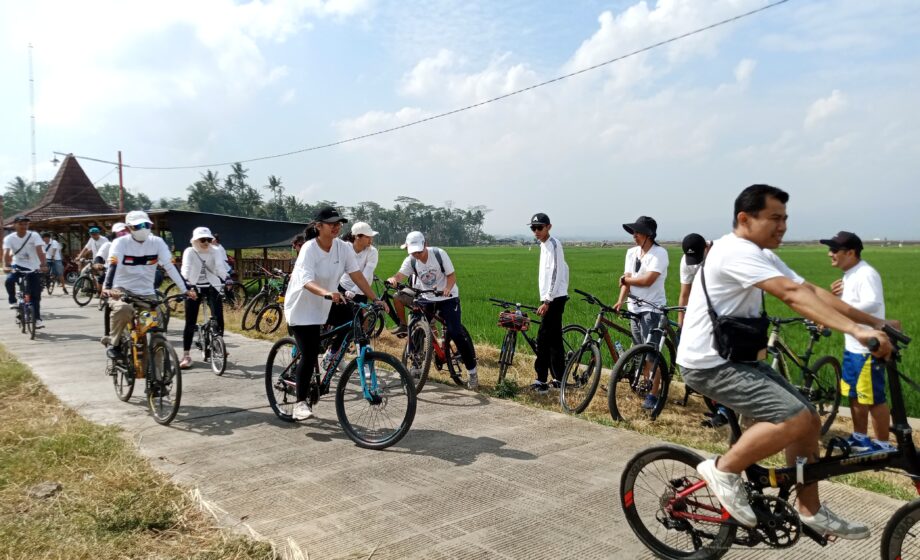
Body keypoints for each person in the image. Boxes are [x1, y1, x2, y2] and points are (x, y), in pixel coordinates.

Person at [677, 184, 893, 539]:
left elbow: (810, 290)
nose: (783, 226)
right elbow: (791, 294)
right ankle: (723, 469)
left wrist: (875, 323)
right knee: (794, 417)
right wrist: (856, 330)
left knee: (809, 420)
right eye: (775, 218)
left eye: (785, 218)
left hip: (738, 358)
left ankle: (810, 510)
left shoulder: (760, 253)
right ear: (745, 218)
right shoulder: (735, 251)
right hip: (709, 364)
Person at [283, 207, 386, 421]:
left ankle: (332, 353)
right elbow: (306, 281)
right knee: (310, 354)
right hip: (303, 308)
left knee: (355, 319)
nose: (336, 227)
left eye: (339, 223)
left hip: (327, 303)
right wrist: (328, 293)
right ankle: (300, 403)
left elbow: (357, 275)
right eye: (332, 223)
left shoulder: (342, 247)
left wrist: (375, 298)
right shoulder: (309, 248)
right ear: (318, 226)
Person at [821, 231, 892, 453]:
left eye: (835, 249)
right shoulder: (849, 275)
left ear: (851, 252)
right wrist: (837, 299)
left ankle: (882, 444)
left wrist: (838, 309)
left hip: (868, 348)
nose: (830, 253)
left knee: (874, 397)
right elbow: (851, 303)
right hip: (852, 347)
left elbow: (872, 303)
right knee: (854, 394)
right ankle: (860, 437)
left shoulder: (866, 273)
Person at [386, 231, 480, 390]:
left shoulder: (439, 254)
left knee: (455, 332)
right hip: (427, 297)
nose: (416, 255)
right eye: (413, 252)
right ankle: (416, 366)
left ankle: (472, 372)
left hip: (447, 297)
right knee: (417, 330)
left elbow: (451, 276)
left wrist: (447, 289)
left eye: (419, 251)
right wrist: (393, 279)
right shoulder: (411, 260)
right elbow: (400, 275)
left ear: (425, 244)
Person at [102, 211, 195, 360]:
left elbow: (170, 266)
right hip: (121, 289)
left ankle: (159, 372)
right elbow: (113, 265)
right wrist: (107, 287)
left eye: (146, 225)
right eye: (138, 226)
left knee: (155, 330)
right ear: (129, 227)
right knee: (123, 309)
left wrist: (186, 289)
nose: (143, 229)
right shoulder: (120, 243)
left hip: (146, 293)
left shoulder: (157, 242)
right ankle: (115, 344)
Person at [614, 215, 669, 410]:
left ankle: (654, 394)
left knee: (651, 355)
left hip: (651, 309)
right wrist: (621, 300)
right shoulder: (631, 253)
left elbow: (647, 281)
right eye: (634, 232)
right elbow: (627, 280)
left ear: (649, 235)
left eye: (638, 232)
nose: (634, 235)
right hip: (634, 308)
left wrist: (625, 280)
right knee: (640, 352)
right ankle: (646, 387)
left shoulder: (659, 254)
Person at [529, 212, 569, 394]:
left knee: (543, 339)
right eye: (533, 228)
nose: (536, 231)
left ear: (548, 227)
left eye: (539, 227)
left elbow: (556, 272)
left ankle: (541, 380)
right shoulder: (543, 246)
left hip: (554, 299)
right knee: (554, 340)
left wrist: (547, 300)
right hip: (550, 297)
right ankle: (559, 378)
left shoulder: (554, 244)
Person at [179, 227, 229, 369]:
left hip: (212, 284)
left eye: (208, 239)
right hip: (193, 286)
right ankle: (186, 355)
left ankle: (218, 345)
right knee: (190, 321)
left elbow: (220, 267)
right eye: (202, 240)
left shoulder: (215, 251)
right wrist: (187, 285)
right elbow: (185, 269)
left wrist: (227, 278)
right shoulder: (190, 252)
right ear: (195, 240)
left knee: (218, 316)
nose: (206, 242)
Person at [3, 216, 48, 327]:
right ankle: (13, 301)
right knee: (9, 281)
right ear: (15, 225)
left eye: (26, 224)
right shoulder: (9, 238)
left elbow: (40, 251)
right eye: (21, 224)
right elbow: (6, 253)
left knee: (35, 295)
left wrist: (43, 265)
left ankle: (37, 319)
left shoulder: (34, 235)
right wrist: (5, 266)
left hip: (34, 267)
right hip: (18, 266)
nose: (24, 226)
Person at [339, 222, 379, 303]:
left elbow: (366, 274)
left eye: (371, 237)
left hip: (362, 291)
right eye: (367, 237)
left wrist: (353, 291)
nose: (371, 240)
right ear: (357, 236)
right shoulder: (345, 247)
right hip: (344, 286)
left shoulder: (372, 251)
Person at [677, 233, 711, 328]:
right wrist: (680, 324)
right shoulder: (685, 262)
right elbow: (685, 294)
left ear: (706, 247)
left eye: (697, 257)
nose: (695, 264)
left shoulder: (719, 255)